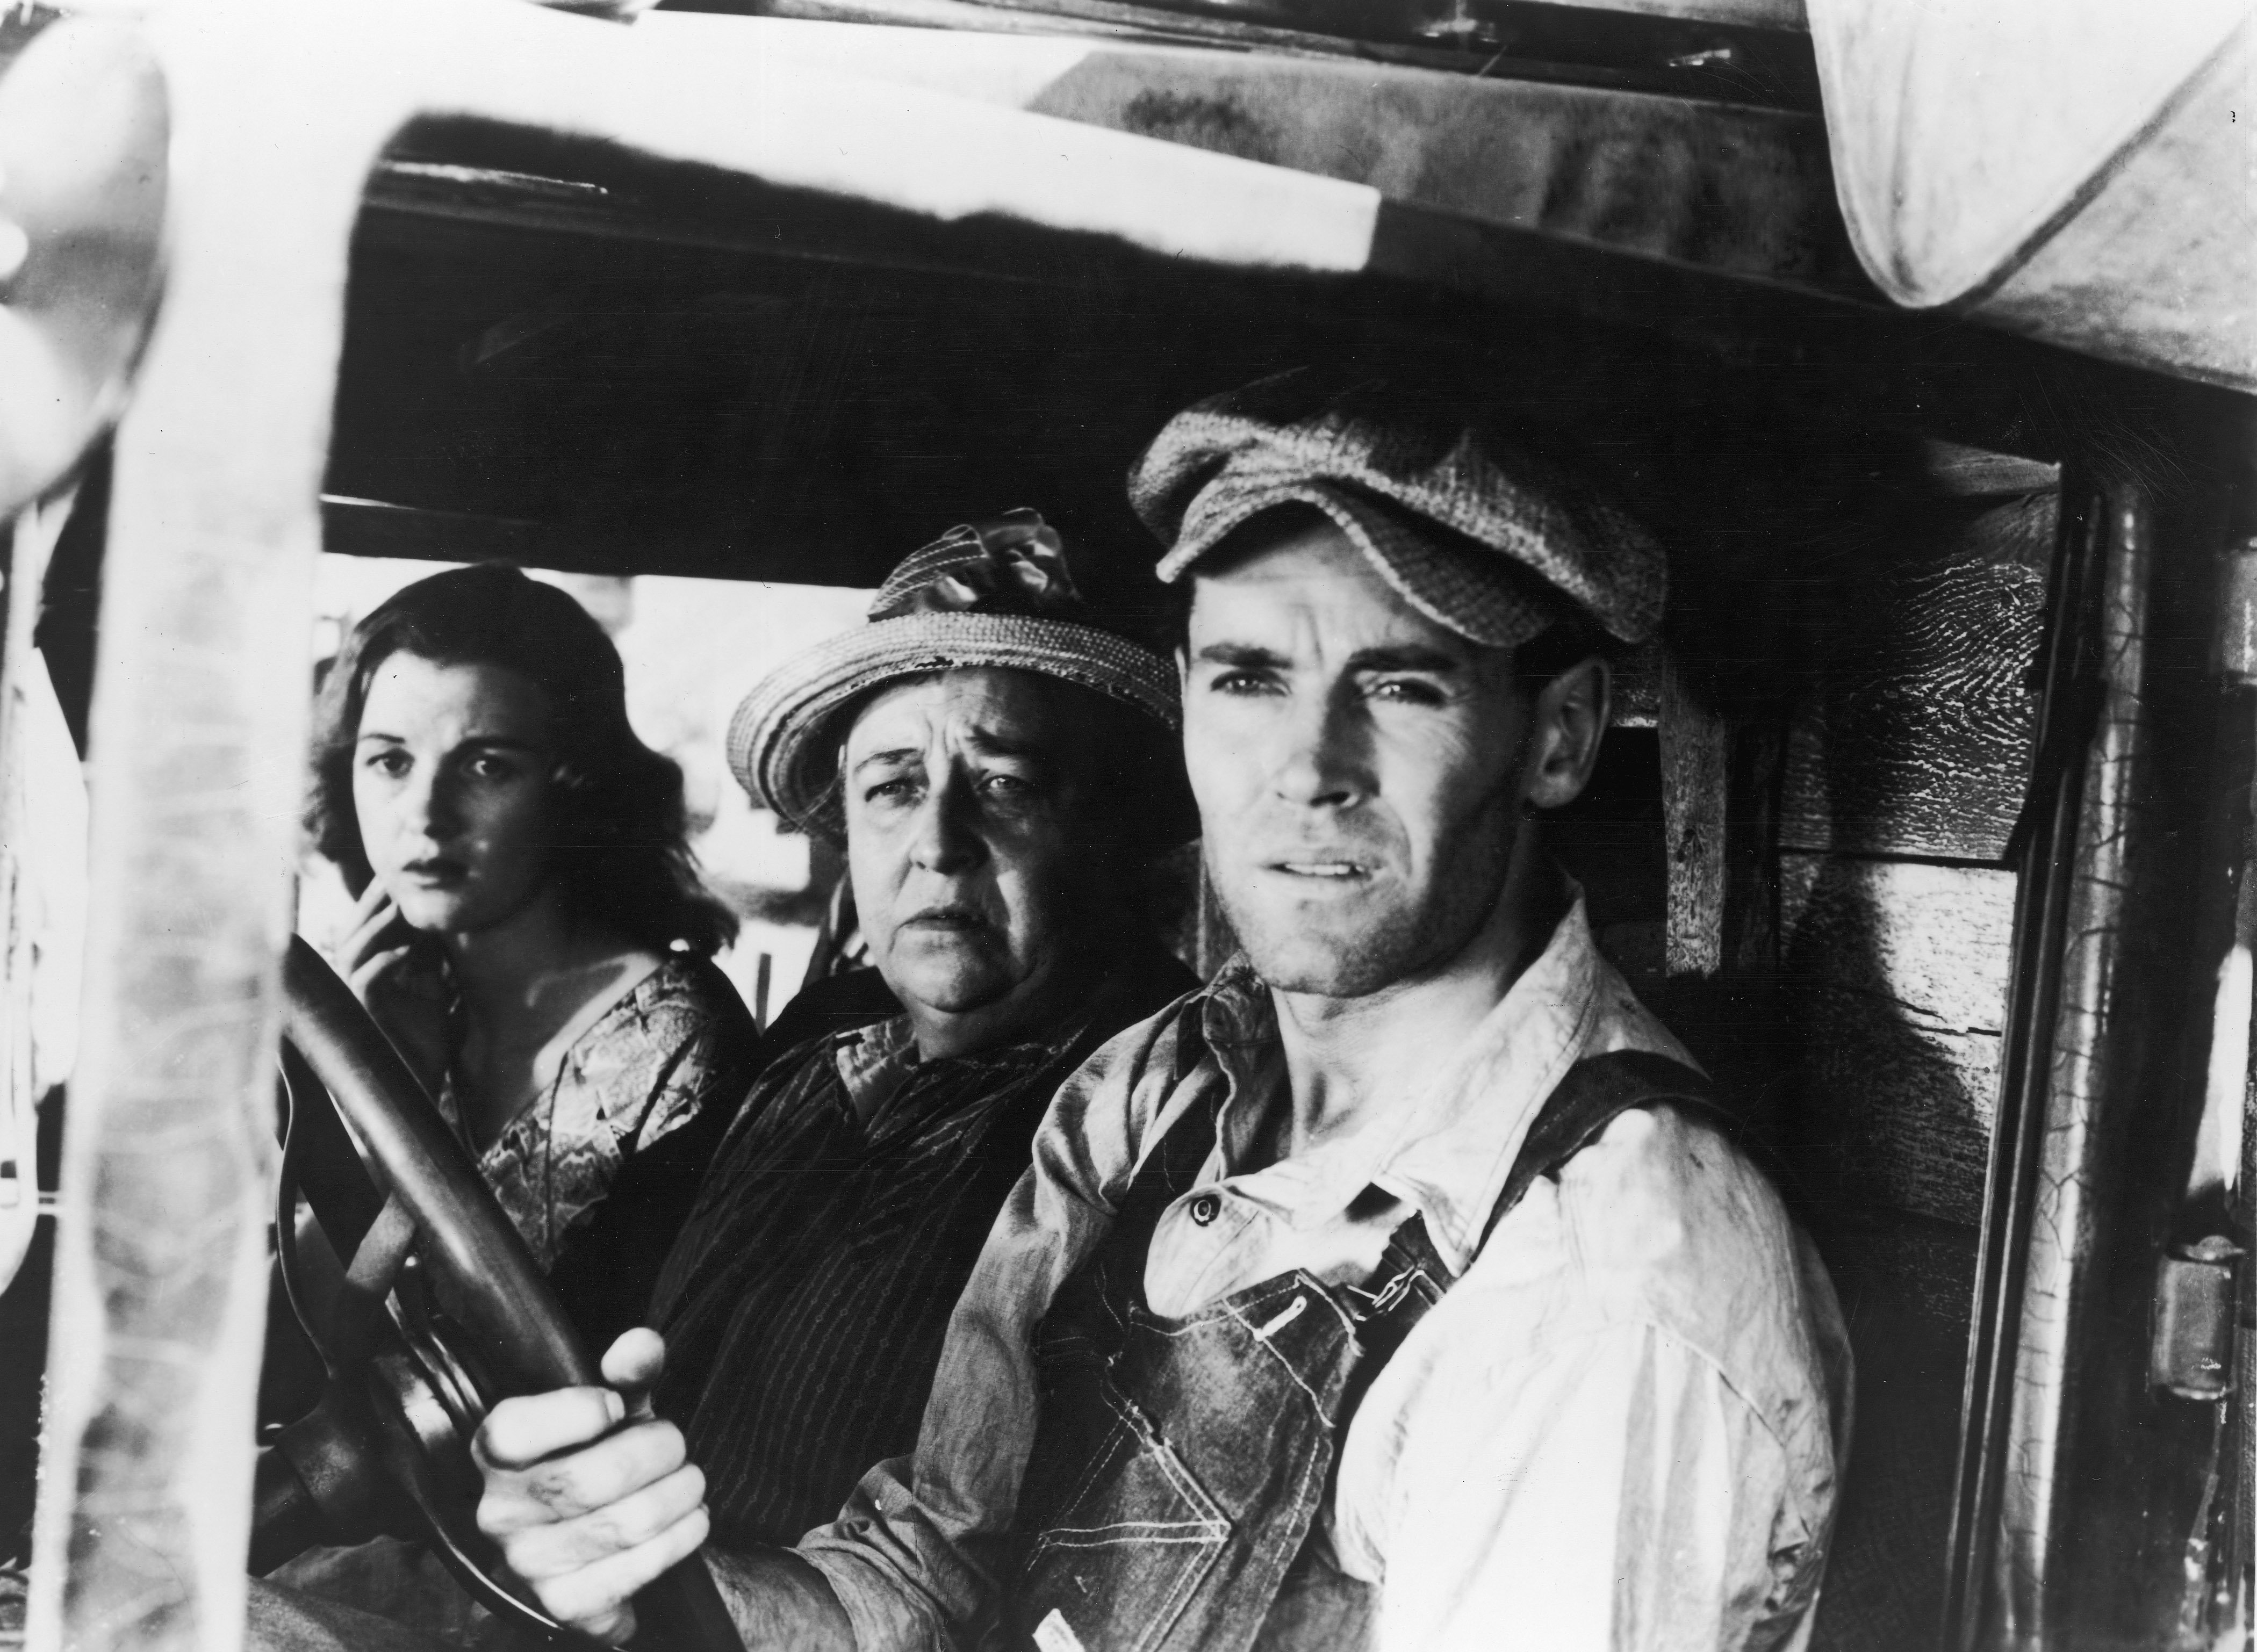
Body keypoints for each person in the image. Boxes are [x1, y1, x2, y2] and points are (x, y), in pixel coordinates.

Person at [262, 376, 1853, 1652]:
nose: (1309, 768)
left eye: (1403, 683)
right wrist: (656, 1577)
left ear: (1561, 736)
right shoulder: (1154, 1092)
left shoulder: (1601, 1274)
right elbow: (928, 1570)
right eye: (1247, 680)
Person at [300, 564, 763, 1340]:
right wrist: (389, 1094)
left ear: (574, 785)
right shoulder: (396, 997)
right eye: (389, 761)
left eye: (487, 766)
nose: (425, 814)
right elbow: (307, 1335)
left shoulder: (677, 1045)